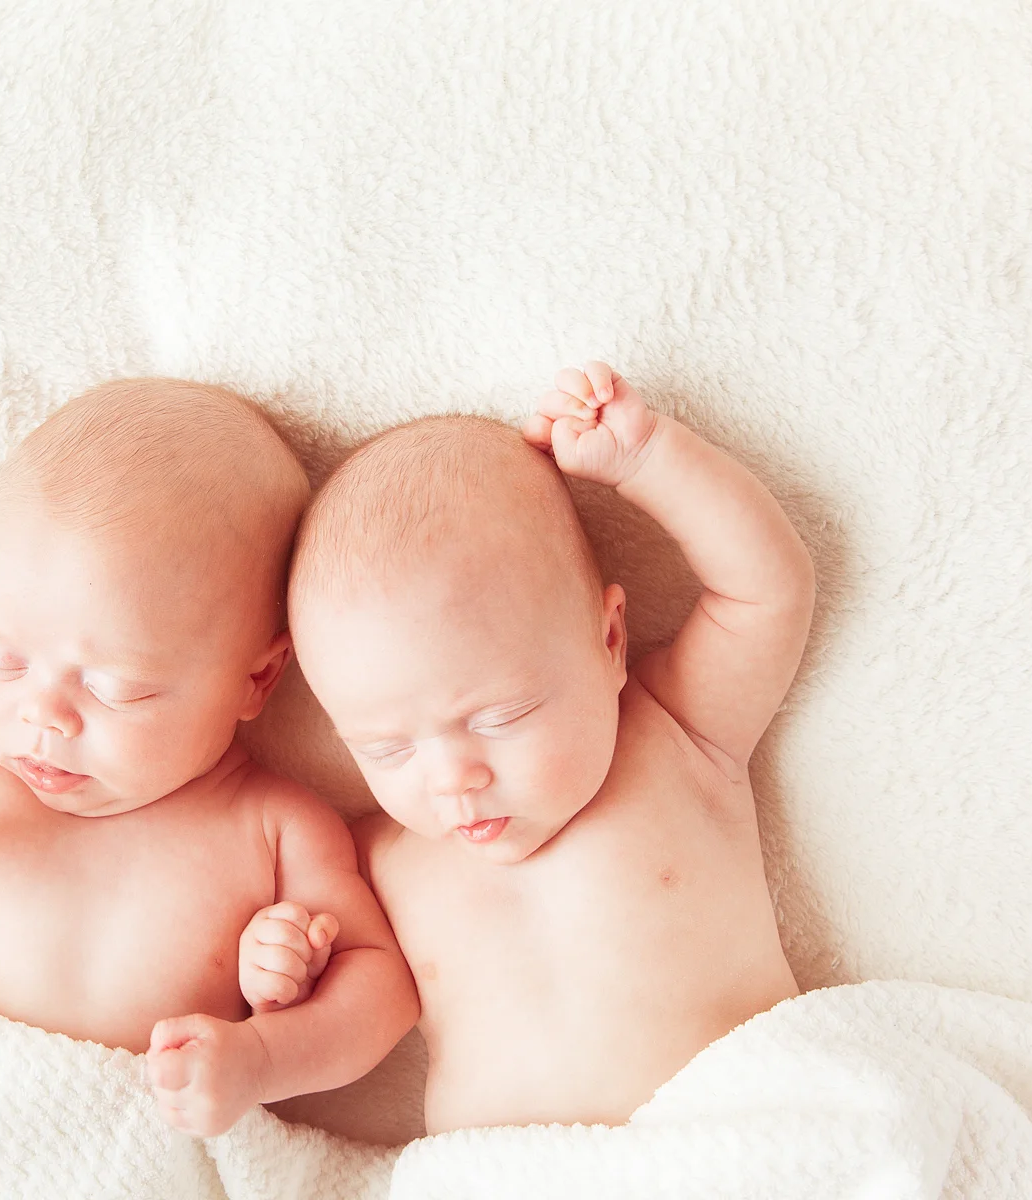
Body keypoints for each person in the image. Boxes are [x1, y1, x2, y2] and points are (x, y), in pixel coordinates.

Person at [0, 378, 418, 1137]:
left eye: (114, 688)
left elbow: (381, 992)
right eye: (6, 661)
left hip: (106, 1142)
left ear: (257, 678)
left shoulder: (275, 828)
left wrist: (262, 1057)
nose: (40, 713)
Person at [268, 362, 813, 1132]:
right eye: (388, 750)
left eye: (499, 717)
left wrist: (649, 459)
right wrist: (279, 966)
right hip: (503, 1175)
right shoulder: (370, 861)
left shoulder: (678, 733)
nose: (453, 780)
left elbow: (767, 591)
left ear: (610, 641)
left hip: (732, 1138)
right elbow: (331, 1010)